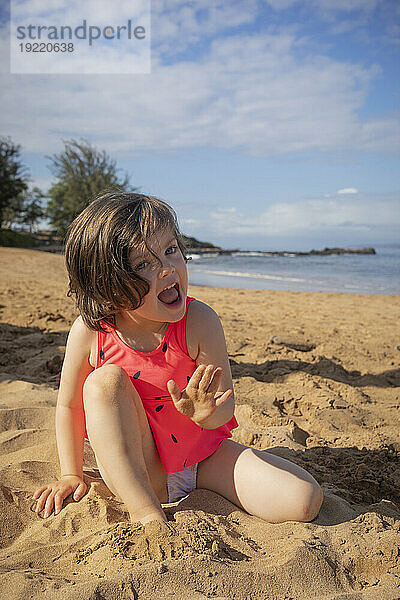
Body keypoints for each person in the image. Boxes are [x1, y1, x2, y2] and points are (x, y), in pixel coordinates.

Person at [32, 191, 323, 526]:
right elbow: (69, 406)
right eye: (143, 264)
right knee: (103, 382)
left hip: (204, 458)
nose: (167, 268)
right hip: (140, 471)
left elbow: (225, 405)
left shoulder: (200, 321)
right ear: (109, 285)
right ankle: (147, 515)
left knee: (304, 501)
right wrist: (71, 473)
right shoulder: (91, 332)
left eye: (170, 250)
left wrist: (208, 414)